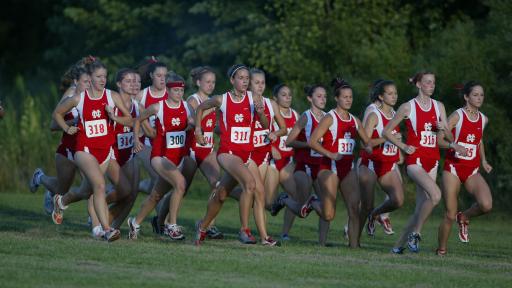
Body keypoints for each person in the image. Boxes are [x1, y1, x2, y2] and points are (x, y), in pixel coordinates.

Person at [194, 64, 278, 246]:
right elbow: (200, 108)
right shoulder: (221, 99)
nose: (245, 81)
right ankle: (244, 230)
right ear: (232, 80)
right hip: (228, 153)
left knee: (222, 194)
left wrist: (262, 112)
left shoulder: (254, 98)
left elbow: (264, 125)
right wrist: (198, 130)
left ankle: (202, 226)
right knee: (250, 184)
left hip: (245, 154)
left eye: (247, 78)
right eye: (241, 78)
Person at [51, 57, 134, 242]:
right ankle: (106, 230)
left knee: (85, 191)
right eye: (98, 76)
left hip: (105, 151)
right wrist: (66, 128)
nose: (102, 80)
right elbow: (56, 113)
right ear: (90, 78)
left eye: (104, 76)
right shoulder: (79, 98)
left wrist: (114, 117)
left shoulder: (112, 96)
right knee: (100, 185)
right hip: (84, 150)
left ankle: (61, 201)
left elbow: (130, 120)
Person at [383, 71, 454, 253]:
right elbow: (386, 132)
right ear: (418, 84)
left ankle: (397, 247)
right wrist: (403, 146)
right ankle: (416, 234)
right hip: (415, 161)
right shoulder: (408, 107)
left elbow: (449, 136)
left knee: (420, 209)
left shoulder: (439, 106)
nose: (431, 86)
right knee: (436, 196)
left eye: (433, 83)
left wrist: (443, 129)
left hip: (433, 161)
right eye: (428, 82)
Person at [302, 78, 371, 248]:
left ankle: (354, 247)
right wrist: (330, 154)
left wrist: (369, 147)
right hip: (328, 168)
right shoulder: (329, 118)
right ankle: (312, 203)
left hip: (347, 169)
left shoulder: (355, 120)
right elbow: (312, 141)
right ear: (337, 98)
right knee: (329, 214)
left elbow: (367, 142)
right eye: (345, 97)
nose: (348, 100)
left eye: (350, 97)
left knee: (354, 208)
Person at [127, 72, 194, 240]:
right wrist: (136, 139)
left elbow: (193, 122)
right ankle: (171, 226)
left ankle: (135, 222)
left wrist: (196, 128)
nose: (179, 94)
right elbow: (137, 120)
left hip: (176, 158)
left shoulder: (186, 107)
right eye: (176, 90)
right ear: (168, 90)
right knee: (180, 184)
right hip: (159, 156)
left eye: (181, 90)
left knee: (156, 195)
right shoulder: (158, 107)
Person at [436, 81, 492, 255]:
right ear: (466, 97)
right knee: (450, 214)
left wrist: (483, 160)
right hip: (453, 168)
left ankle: (465, 216)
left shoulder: (483, 119)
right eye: (475, 95)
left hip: (472, 169)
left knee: (486, 205)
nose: (479, 98)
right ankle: (441, 250)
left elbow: (478, 141)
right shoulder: (457, 116)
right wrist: (453, 146)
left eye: (481, 95)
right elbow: (439, 140)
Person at [29, 63, 90, 215]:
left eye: (92, 81)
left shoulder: (96, 96)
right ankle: (40, 178)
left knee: (92, 184)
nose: (90, 84)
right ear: (76, 81)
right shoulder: (70, 95)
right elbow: (53, 125)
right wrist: (73, 122)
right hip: (69, 148)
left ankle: (96, 222)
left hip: (87, 148)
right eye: (86, 81)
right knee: (61, 189)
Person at [272, 84, 328, 244]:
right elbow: (289, 141)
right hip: (305, 165)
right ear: (310, 98)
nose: (323, 99)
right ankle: (285, 211)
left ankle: (322, 243)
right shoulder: (305, 117)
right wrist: (308, 144)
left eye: (325, 96)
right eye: (319, 96)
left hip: (321, 166)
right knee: (301, 207)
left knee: (327, 203)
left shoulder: (328, 117)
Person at [360, 80, 404, 237]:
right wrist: (387, 139)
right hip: (371, 162)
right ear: (380, 96)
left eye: (395, 93)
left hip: (388, 164)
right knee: (365, 204)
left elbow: (396, 136)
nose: (394, 96)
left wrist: (398, 149)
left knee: (398, 200)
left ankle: (375, 215)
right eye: (390, 94)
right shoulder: (372, 112)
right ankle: (354, 239)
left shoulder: (396, 114)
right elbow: (364, 142)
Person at [265, 84, 300, 240]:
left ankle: (285, 233)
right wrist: (271, 147)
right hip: (272, 161)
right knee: (268, 203)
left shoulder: (296, 116)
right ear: (275, 98)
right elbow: (261, 134)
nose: (288, 97)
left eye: (289, 94)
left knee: (295, 197)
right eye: (283, 95)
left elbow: (299, 139)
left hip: (288, 162)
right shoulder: (270, 114)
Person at [135, 58, 167, 194]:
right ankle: (160, 216)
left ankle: (141, 186)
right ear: (151, 76)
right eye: (159, 76)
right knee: (159, 178)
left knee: (163, 184)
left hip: (166, 144)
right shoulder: (141, 96)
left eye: (165, 76)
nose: (162, 79)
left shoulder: (172, 94)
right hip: (146, 143)